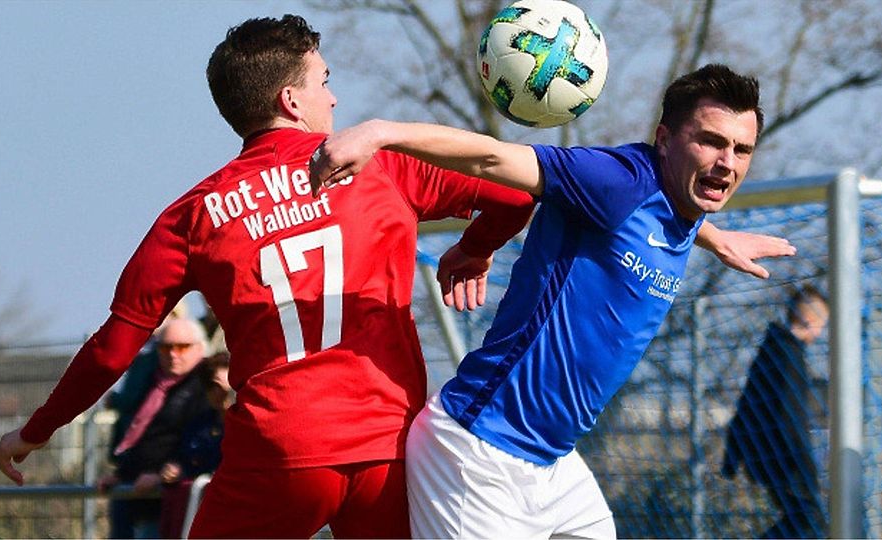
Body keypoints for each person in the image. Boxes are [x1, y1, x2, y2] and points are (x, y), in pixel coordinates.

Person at [0, 14, 537, 539]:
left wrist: (37, 431)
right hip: (387, 448)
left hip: (279, 453)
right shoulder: (383, 165)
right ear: (290, 100)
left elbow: (112, 350)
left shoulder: (192, 215)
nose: (333, 98)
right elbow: (515, 196)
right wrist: (474, 249)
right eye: (324, 80)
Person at [310, 63, 795, 538]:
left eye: (742, 149)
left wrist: (716, 238)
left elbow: (657, 215)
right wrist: (381, 133)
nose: (727, 161)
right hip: (479, 455)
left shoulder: (681, 203)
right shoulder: (617, 181)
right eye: (711, 141)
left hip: (554, 465)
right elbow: (492, 159)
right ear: (665, 139)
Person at [721, 285, 829, 538]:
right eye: (822, 324)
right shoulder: (789, 356)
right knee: (811, 521)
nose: (821, 332)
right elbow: (790, 416)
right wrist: (805, 467)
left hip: (766, 457)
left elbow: (746, 401)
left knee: (803, 519)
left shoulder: (772, 348)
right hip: (784, 460)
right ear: (809, 320)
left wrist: (732, 455)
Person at [97, 317, 212, 539]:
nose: (173, 354)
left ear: (200, 348)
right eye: (165, 347)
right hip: (135, 490)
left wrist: (167, 472)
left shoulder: (205, 388)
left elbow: (200, 438)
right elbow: (140, 430)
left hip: (171, 500)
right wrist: (122, 474)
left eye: (182, 347)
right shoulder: (151, 382)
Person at [159, 352, 232, 539]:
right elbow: (186, 457)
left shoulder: (251, 424)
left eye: (226, 386)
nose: (219, 393)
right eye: (212, 386)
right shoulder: (199, 425)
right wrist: (177, 469)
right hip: (198, 513)